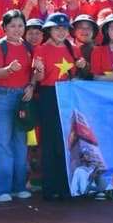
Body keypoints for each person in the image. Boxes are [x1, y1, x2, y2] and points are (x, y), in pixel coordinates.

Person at [28, 12, 82, 201]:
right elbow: (39, 78)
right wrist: (39, 71)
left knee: (67, 140)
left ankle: (65, 185)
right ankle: (50, 187)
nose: (61, 32)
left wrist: (83, 65)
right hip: (49, 95)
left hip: (67, 95)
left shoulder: (72, 48)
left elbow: (77, 73)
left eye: (64, 28)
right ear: (49, 30)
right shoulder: (41, 50)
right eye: (57, 28)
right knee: (49, 141)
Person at [0, 10, 32, 202]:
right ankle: (1, 189)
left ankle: (19, 186)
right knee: (1, 142)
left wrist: (31, 85)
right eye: (12, 25)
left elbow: (32, 73)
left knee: (20, 143)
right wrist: (9, 69)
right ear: (4, 27)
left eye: (20, 25)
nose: (17, 29)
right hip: (2, 97)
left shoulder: (28, 47)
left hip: (22, 98)